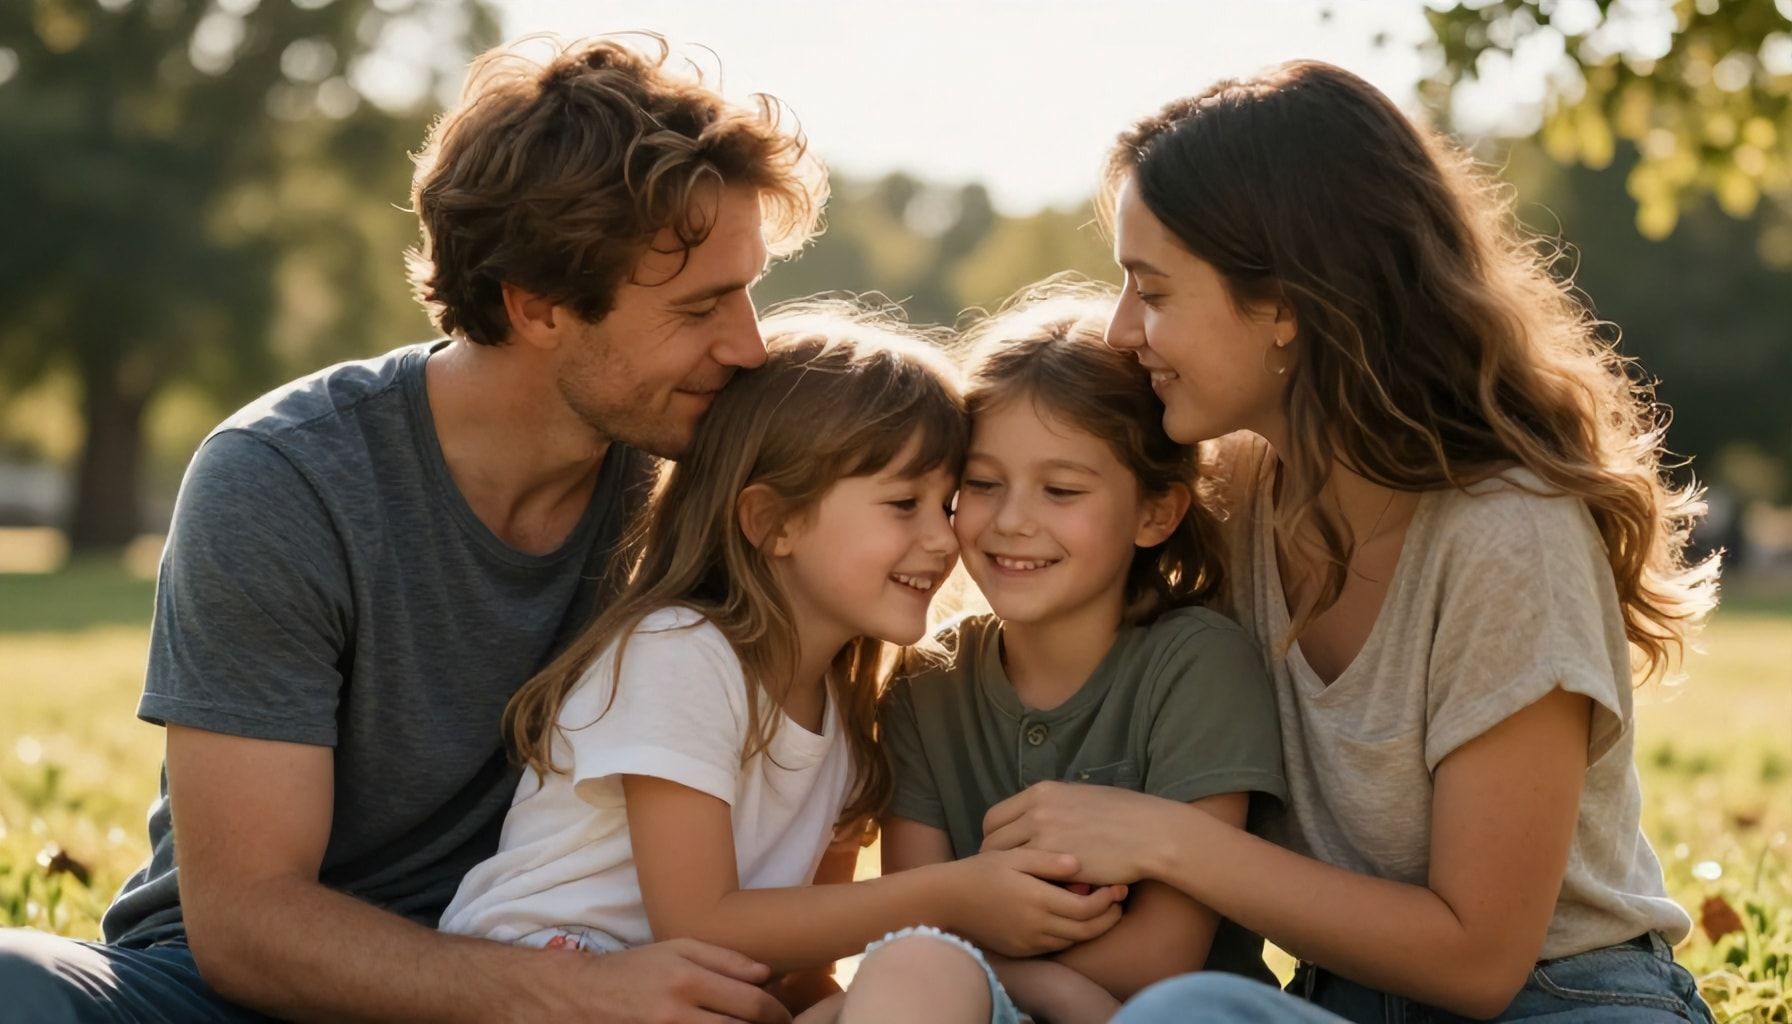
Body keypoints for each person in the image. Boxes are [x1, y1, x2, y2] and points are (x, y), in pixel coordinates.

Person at [0, 35, 827, 1023]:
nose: (747, 344)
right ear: (538, 306)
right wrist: (577, 993)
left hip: (557, 967)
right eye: (700, 307)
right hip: (247, 997)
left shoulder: (714, 485)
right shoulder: (284, 479)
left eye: (748, 292)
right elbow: (248, 919)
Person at [979, 62, 1721, 1022]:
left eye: (1152, 291)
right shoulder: (1235, 493)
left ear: (1284, 303)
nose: (1123, 331)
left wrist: (1166, 841)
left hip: (1564, 1001)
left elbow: (1480, 958)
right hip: (1341, 1004)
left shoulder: (1507, 534)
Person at [441, 304, 1128, 1023]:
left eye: (947, 503)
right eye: (903, 504)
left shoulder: (852, 715)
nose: (943, 538)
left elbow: (801, 969)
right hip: (554, 986)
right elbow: (700, 922)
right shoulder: (684, 655)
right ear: (774, 522)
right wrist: (956, 895)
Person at [830, 283, 1286, 1024]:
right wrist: (1037, 987)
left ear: (1154, 511)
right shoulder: (926, 685)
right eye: (982, 484)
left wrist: (1016, 977)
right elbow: (917, 928)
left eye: (1061, 490)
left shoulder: (1197, 666)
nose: (1012, 521)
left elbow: (1161, 957)